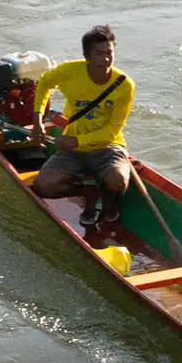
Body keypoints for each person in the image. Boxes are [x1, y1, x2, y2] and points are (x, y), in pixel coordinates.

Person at [27, 25, 135, 236]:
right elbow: (44, 83)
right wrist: (38, 118)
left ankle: (108, 197)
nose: (106, 59)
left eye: (109, 53)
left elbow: (112, 131)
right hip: (72, 149)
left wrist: (76, 141)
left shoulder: (124, 85)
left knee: (119, 180)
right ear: (87, 56)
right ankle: (90, 193)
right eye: (99, 54)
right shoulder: (69, 71)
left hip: (107, 146)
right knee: (42, 186)